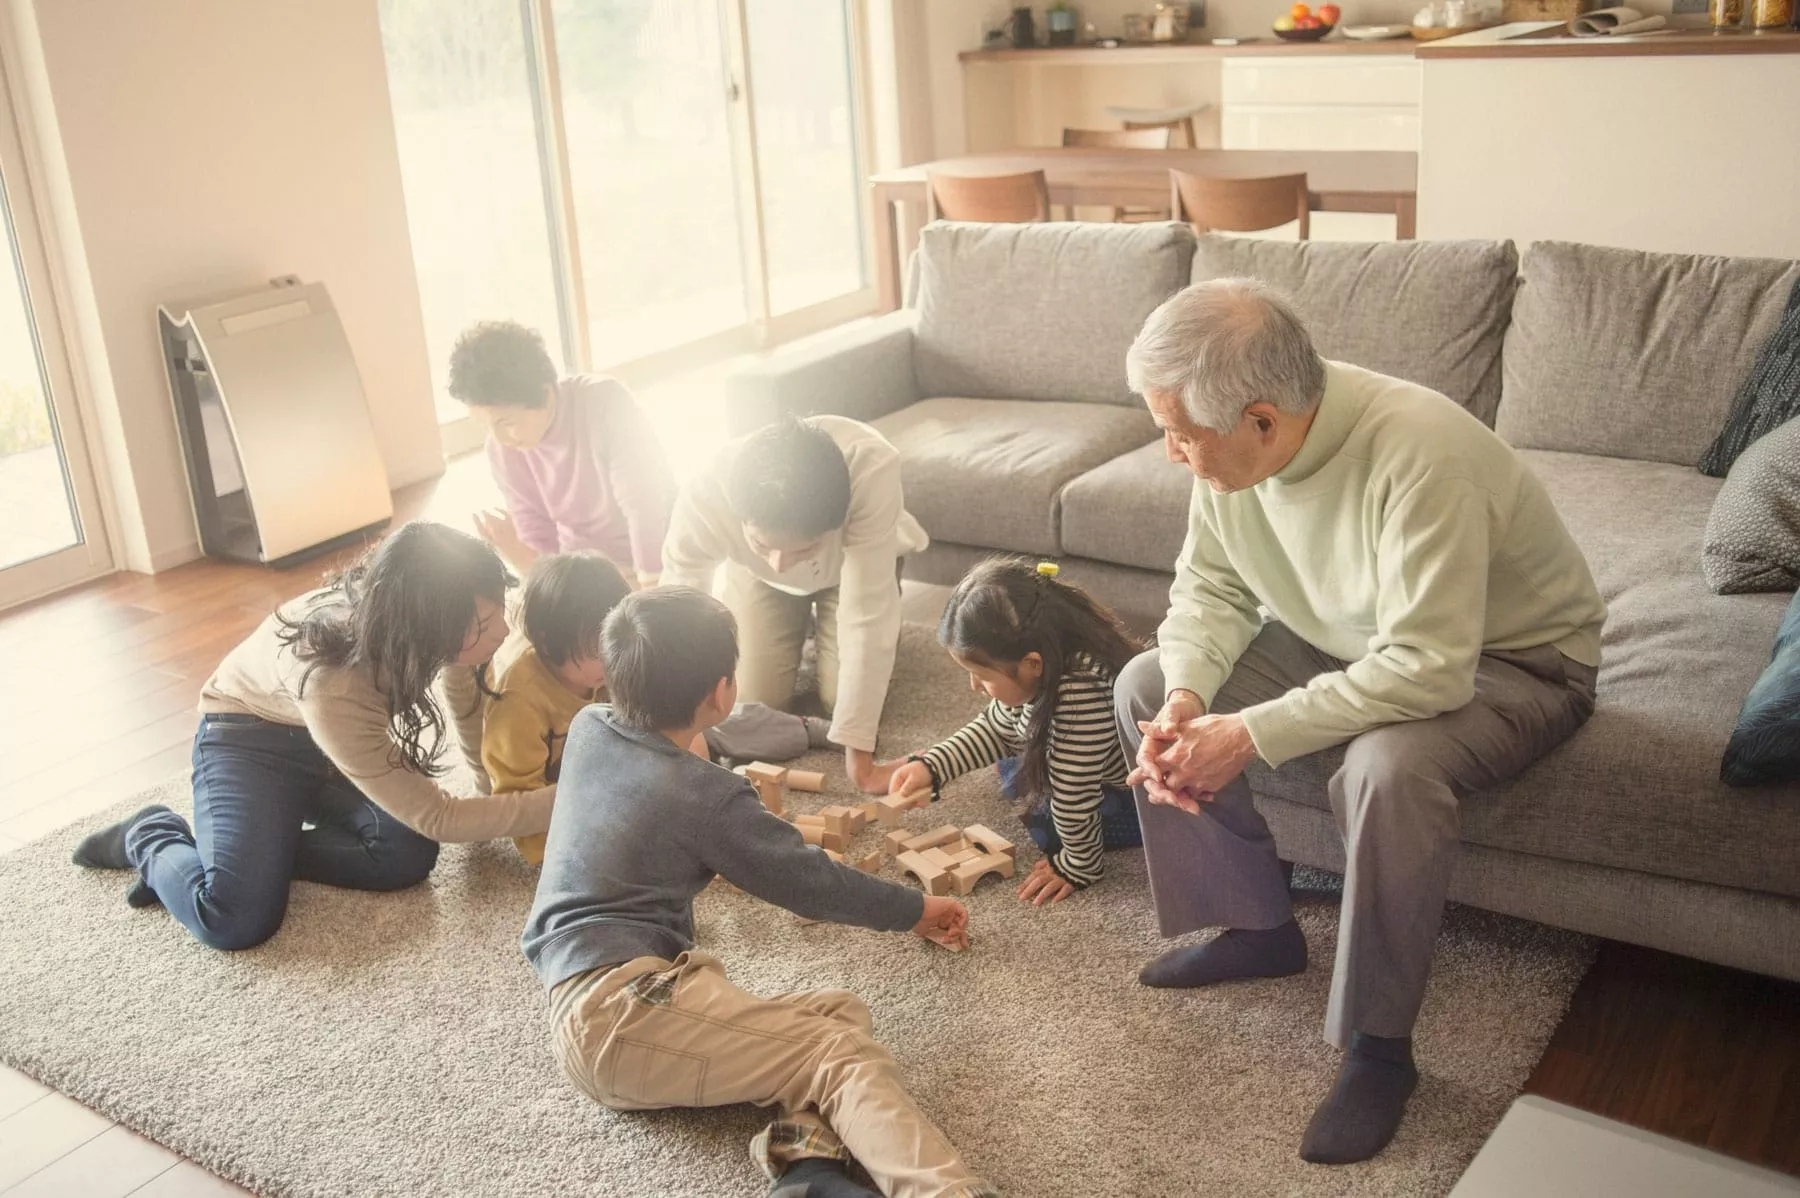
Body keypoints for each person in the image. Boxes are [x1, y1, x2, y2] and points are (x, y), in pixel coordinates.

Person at [1115, 279, 1607, 1164]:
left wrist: (1250, 732)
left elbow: (1429, 666)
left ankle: (1379, 1049)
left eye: (1181, 437)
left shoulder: (1422, 453)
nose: (1170, 454)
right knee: (1146, 684)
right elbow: (1212, 589)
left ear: (1262, 420)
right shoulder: (1235, 451)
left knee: (1386, 770)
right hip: (1350, 641)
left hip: (1516, 663)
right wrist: (1191, 700)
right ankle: (1259, 928)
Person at [523, 586, 994, 1198]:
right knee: (834, 1051)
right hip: (625, 1017)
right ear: (721, 692)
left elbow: (674, 761)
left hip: (596, 1007)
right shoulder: (705, 795)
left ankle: (802, 1162)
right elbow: (807, 882)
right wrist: (915, 909)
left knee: (838, 1013)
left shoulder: (588, 726)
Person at [71, 522, 553, 951]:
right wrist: (564, 796)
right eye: (486, 625)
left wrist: (491, 787)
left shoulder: (412, 609)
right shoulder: (333, 681)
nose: (503, 630)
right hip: (247, 740)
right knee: (234, 918)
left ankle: (254, 855)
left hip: (329, 746)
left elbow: (463, 685)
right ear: (427, 626)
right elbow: (440, 815)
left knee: (405, 855)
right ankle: (150, 834)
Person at [485, 551, 832, 864]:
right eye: (596, 652)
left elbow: (663, 720)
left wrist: (690, 757)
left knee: (713, 714)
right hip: (579, 816)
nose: (610, 663)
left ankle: (806, 729)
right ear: (548, 642)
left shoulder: (607, 664)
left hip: (637, 760)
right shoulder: (518, 703)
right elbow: (517, 804)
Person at [660, 415, 928, 794]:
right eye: (762, 544)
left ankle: (821, 624)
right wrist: (685, 721)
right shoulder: (706, 491)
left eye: (801, 548)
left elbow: (868, 609)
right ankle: (798, 620)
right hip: (753, 578)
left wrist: (860, 762)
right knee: (750, 699)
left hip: (849, 571)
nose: (780, 564)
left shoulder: (873, 468)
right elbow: (676, 611)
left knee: (842, 705)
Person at [885, 558, 1142, 906]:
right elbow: (995, 727)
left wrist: (1078, 865)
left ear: (1032, 665)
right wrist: (933, 765)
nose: (974, 686)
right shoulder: (1039, 663)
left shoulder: (1080, 696)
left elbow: (1073, 794)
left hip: (1137, 798)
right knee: (1018, 767)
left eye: (984, 677)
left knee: (1046, 821)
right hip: (1080, 765)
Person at [447, 320, 674, 584]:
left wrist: (651, 584)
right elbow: (539, 538)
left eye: (505, 423)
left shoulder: (605, 402)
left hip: (657, 554)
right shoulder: (501, 450)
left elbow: (643, 503)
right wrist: (520, 556)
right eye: (485, 425)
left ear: (544, 393)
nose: (498, 438)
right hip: (588, 570)